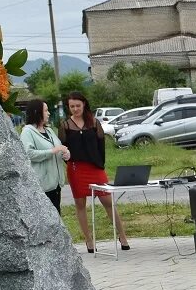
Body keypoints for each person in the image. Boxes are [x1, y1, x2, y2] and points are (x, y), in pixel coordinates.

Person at [60, 91, 128, 253]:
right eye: (72, 106)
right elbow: (63, 149)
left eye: (78, 105)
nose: (75, 109)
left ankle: (123, 236)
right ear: (68, 107)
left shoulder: (94, 123)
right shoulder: (65, 125)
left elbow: (101, 147)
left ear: (84, 105)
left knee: (108, 201)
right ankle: (88, 240)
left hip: (95, 168)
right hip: (76, 169)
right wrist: (69, 161)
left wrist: (100, 166)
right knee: (80, 204)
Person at [19, 98, 68, 211]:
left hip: (56, 184)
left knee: (57, 217)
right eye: (46, 110)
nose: (49, 113)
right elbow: (28, 154)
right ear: (37, 112)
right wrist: (52, 151)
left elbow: (59, 148)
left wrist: (65, 153)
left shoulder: (49, 131)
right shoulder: (27, 132)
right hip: (42, 185)